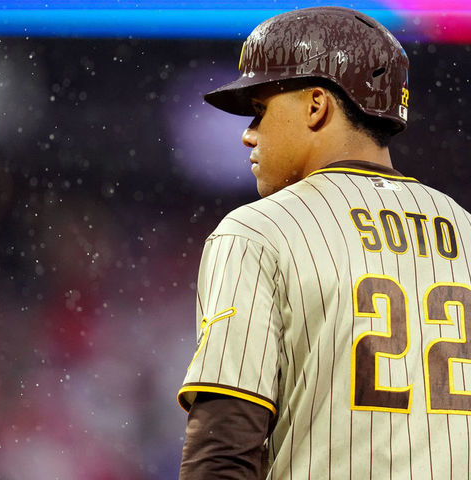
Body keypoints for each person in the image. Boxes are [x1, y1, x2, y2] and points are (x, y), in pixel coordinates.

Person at [177, 6, 471, 479]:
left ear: (317, 105)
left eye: (260, 110)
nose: (249, 134)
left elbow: (223, 451)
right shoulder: (464, 228)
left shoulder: (258, 230)